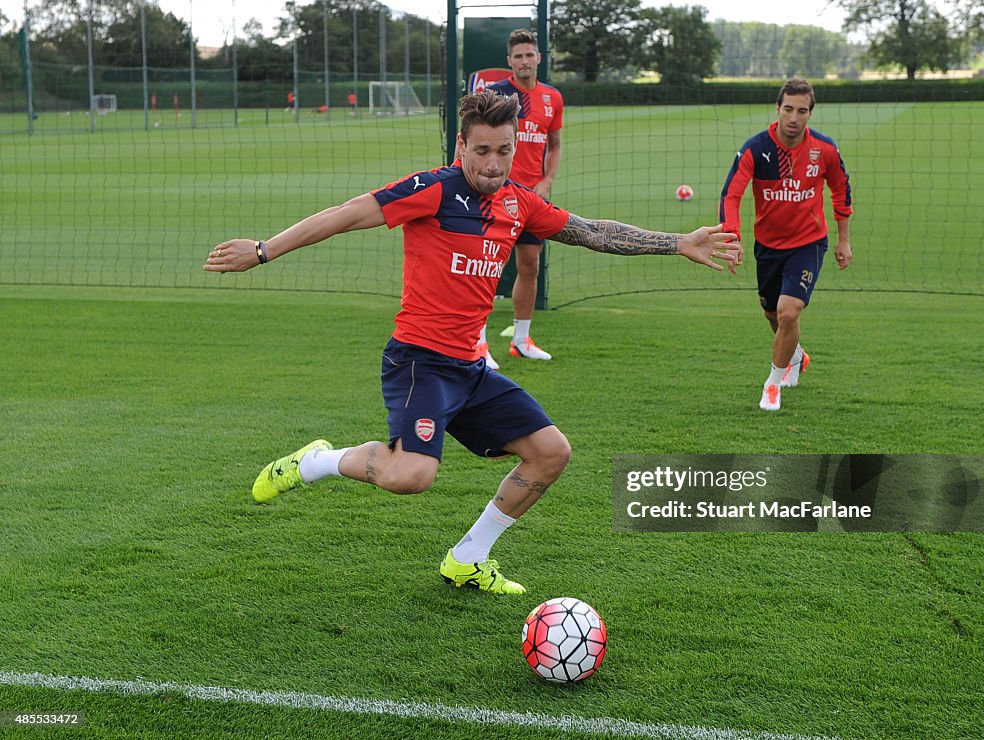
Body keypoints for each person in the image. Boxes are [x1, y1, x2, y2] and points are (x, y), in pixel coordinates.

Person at [205, 90, 741, 595]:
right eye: (481, 150)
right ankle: (316, 462)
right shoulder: (433, 190)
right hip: (419, 362)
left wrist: (677, 242)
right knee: (412, 475)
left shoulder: (518, 204)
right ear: (462, 146)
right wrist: (263, 249)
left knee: (550, 454)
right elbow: (345, 215)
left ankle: (468, 557)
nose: (492, 163)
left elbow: (591, 231)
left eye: (503, 151)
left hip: (472, 367)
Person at [719, 77, 852, 412]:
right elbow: (731, 195)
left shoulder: (825, 150)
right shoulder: (755, 148)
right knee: (772, 315)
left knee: (788, 311)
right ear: (777, 108)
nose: (794, 117)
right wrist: (732, 238)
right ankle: (795, 355)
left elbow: (841, 192)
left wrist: (843, 241)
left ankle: (773, 383)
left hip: (808, 243)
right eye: (788, 109)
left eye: (802, 111)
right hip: (768, 246)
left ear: (810, 113)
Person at [477, 28, 564, 369]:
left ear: (539, 58)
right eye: (518, 56)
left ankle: (521, 340)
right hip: (497, 194)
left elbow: (554, 144)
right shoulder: (496, 94)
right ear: (509, 62)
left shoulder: (552, 98)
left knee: (530, 266)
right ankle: (478, 343)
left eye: (530, 55)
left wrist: (548, 180)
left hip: (532, 198)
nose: (525, 61)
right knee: (485, 268)